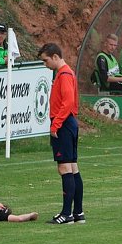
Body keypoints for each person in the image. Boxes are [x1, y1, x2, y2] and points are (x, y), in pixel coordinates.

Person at [38, 43, 84, 225]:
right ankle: (78, 212)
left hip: (64, 123)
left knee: (64, 167)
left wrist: (55, 125)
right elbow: (73, 102)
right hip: (69, 122)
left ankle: (66, 214)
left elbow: (68, 101)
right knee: (73, 167)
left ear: (55, 56)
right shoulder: (67, 73)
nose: (45, 64)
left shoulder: (64, 74)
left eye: (46, 60)